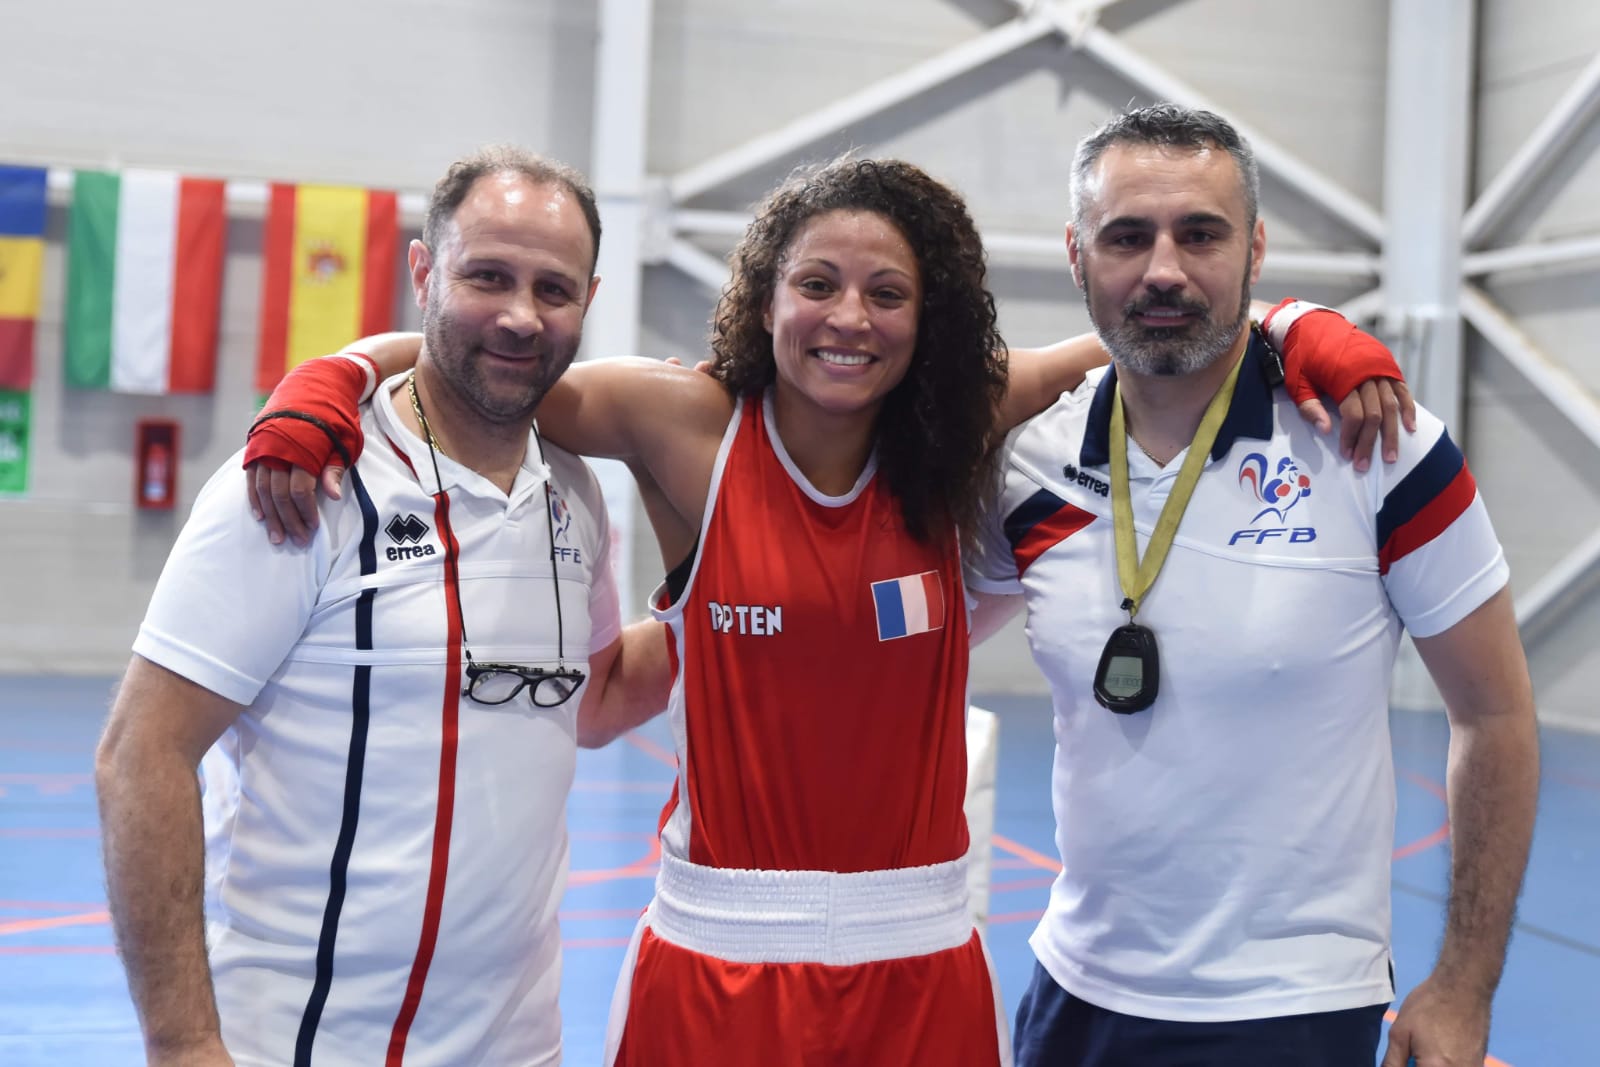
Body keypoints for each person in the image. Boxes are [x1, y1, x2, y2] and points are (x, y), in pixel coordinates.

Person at [241, 156, 1412, 1066]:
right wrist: (326, 383)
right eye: (817, 282)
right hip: (720, 959)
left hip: (923, 964)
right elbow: (486, 352)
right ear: (766, 294)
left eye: (886, 292)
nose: (848, 316)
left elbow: (1151, 334)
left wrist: (1294, 325)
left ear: (927, 315)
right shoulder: (681, 424)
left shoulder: (955, 425)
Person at [966, 104, 1540, 1067]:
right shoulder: (1031, 466)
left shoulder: (1381, 451)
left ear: (1256, 249)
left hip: (1294, 1010)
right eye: (1127, 236)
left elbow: (1497, 717)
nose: (1163, 269)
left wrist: (1465, 986)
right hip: (1076, 996)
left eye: (1201, 234)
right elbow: (916, 648)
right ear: (1076, 255)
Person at [93, 146, 671, 1067]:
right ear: (423, 272)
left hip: (519, 1047)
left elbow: (591, 700)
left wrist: (731, 609)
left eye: (553, 289)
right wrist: (182, 1042)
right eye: (488, 275)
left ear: (588, 300)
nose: (521, 315)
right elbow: (142, 754)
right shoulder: (301, 481)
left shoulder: (575, 490)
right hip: (304, 1041)